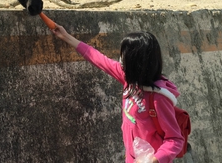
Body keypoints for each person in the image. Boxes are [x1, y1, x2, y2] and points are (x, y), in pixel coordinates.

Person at [51, 24, 184, 163]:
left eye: (124, 56)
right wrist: (65, 36)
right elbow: (97, 58)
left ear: (135, 62)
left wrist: (154, 160)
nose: (120, 60)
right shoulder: (129, 79)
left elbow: (175, 139)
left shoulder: (158, 98)